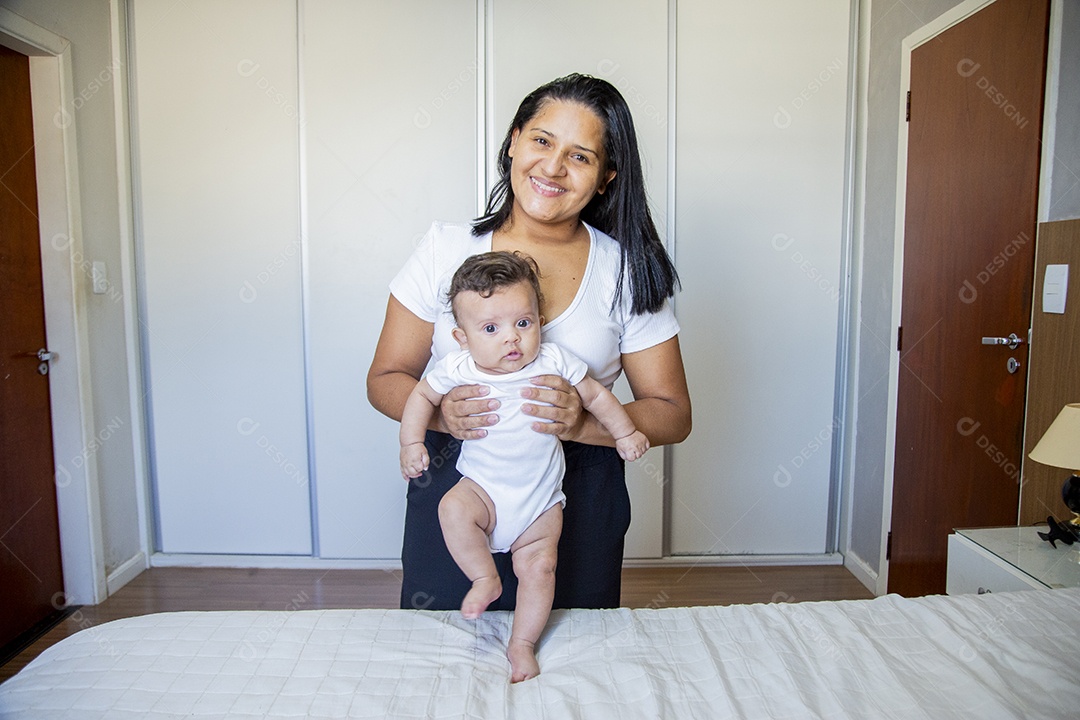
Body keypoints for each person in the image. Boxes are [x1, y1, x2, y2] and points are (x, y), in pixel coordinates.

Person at [368, 72, 691, 617]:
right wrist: (447, 413)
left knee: (572, 661)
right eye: (541, 141)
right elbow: (385, 379)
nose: (553, 167)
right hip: (459, 483)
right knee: (445, 657)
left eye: (581, 156)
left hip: (581, 492)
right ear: (514, 141)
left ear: (607, 177)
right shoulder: (444, 248)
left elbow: (673, 413)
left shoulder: (627, 272)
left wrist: (581, 423)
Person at [399, 250, 649, 682]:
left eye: (523, 323)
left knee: (540, 568)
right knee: (451, 510)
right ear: (462, 337)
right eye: (491, 328)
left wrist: (623, 433)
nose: (511, 339)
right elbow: (419, 397)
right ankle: (484, 578)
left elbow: (596, 397)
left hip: (539, 500)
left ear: (539, 321)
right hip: (482, 488)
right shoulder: (456, 367)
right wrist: (411, 441)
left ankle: (522, 644)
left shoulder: (553, 360)